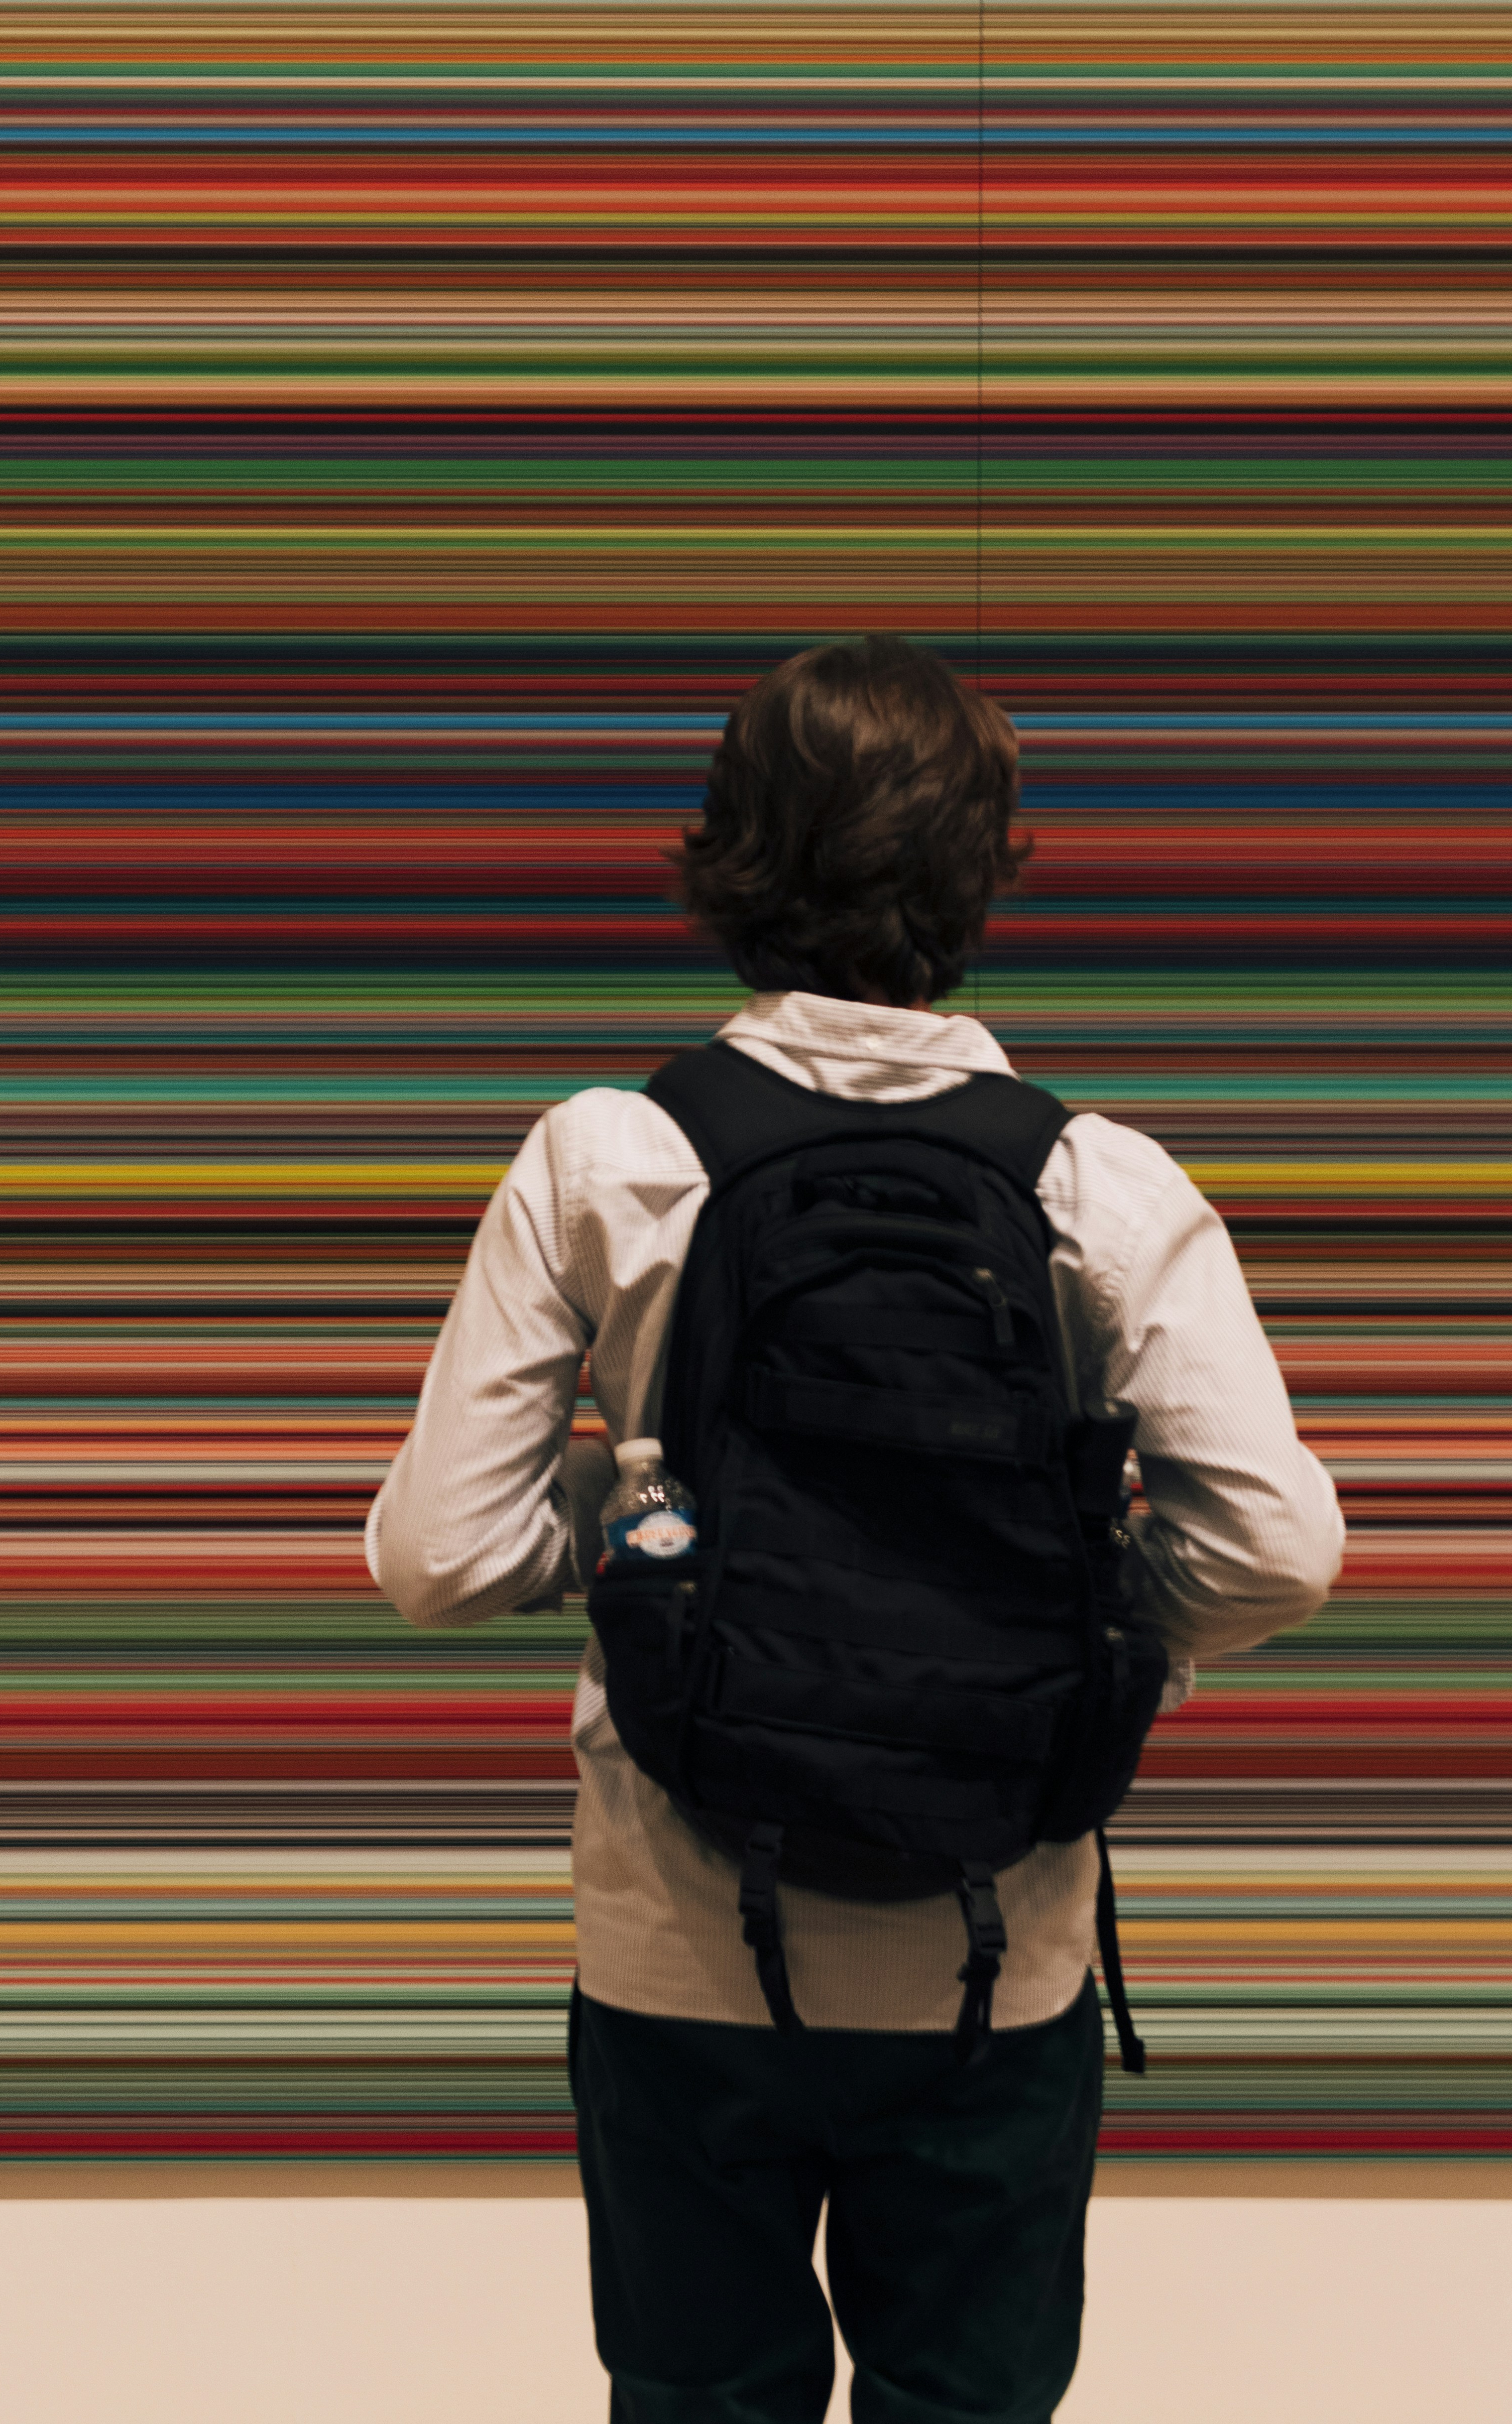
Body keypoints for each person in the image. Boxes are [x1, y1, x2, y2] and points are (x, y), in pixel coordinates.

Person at [367, 635, 1343, 2424]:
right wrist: (1084, 1611)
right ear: (981, 868)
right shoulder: (1096, 1181)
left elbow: (435, 1553)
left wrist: (627, 1512)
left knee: (699, 2398)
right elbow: (1279, 1547)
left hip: (678, 1936)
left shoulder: (605, 1159)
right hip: (999, 1943)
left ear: (729, 849)